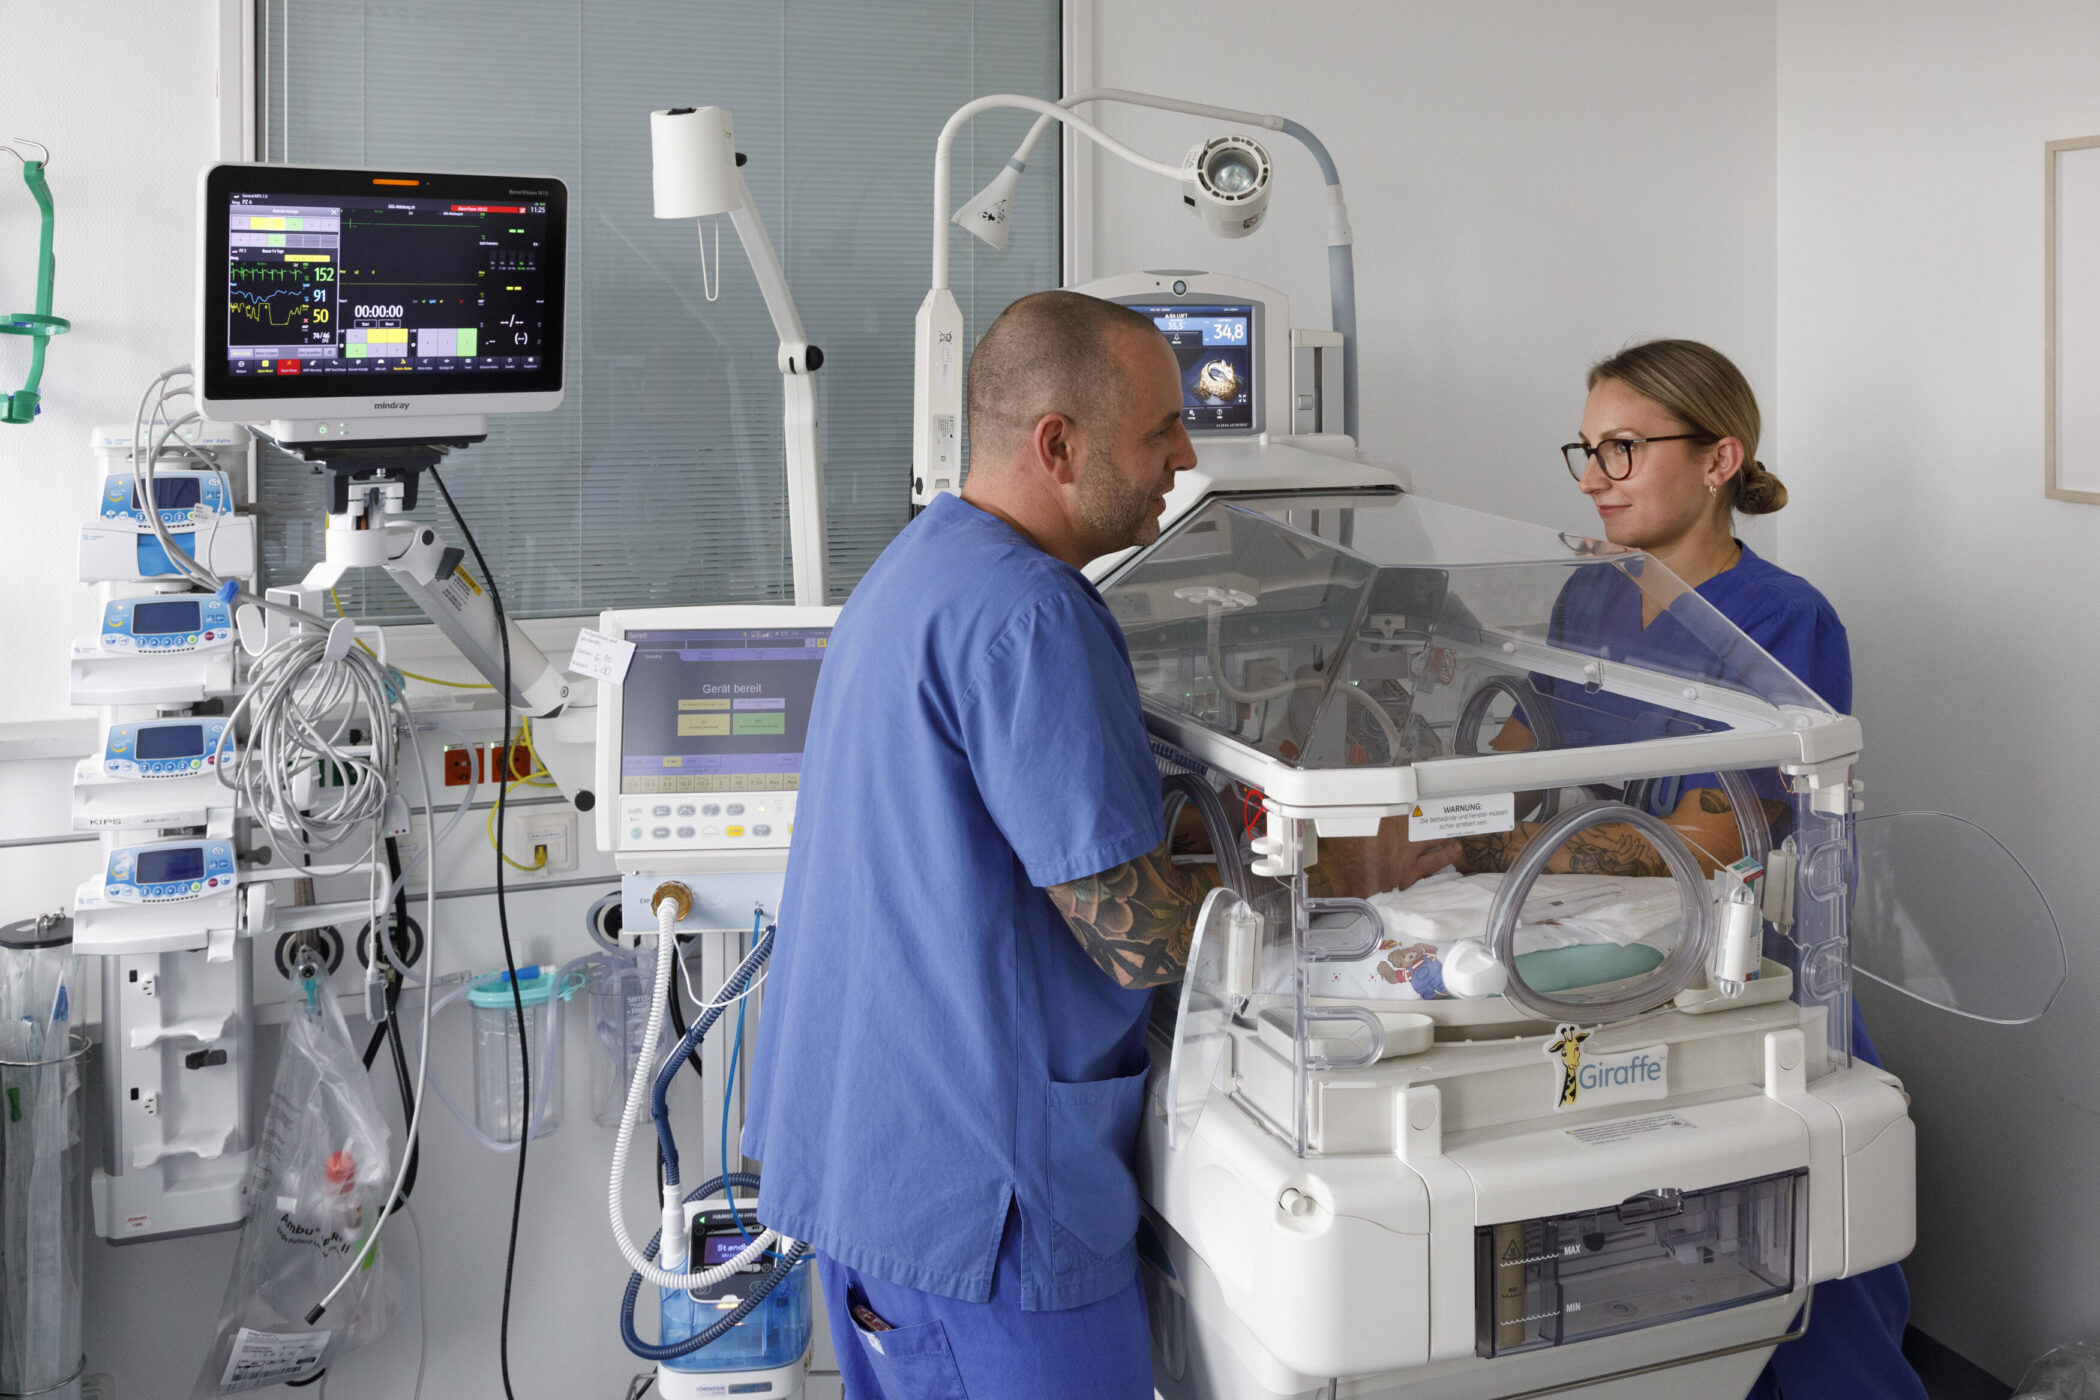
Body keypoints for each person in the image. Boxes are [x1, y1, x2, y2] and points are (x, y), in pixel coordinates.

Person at [738, 290, 1214, 1399]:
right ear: (1059, 441)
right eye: (1160, 431)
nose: (1183, 458)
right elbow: (1139, 937)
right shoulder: (1034, 614)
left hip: (875, 1180)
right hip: (986, 1219)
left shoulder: (918, 570)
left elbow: (986, 843)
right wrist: (1333, 887)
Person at [1550, 339, 1922, 1400]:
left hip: (1752, 975)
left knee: (1805, 1262)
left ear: (1721, 460)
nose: (1593, 476)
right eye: (1585, 449)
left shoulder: (1786, 619)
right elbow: (1529, 758)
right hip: (1611, 957)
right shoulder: (1589, 596)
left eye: (1622, 448)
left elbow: (1717, 838)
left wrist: (1506, 843)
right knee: (1667, 1264)